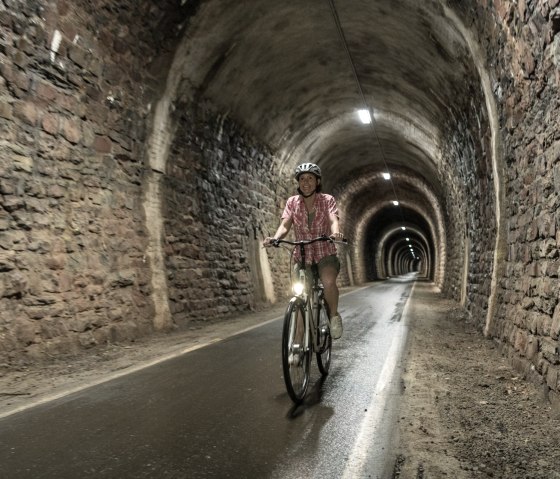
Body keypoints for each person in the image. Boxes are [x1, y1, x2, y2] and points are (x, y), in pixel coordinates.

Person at [263, 162, 344, 339]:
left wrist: (335, 231)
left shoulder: (327, 200)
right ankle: (298, 341)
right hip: (302, 254)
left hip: (325, 252)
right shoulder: (292, 202)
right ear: (298, 182)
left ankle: (333, 316)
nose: (306, 182)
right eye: (302, 179)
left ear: (317, 181)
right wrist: (276, 238)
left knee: (328, 282)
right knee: (300, 294)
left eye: (310, 178)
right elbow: (285, 225)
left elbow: (332, 219)